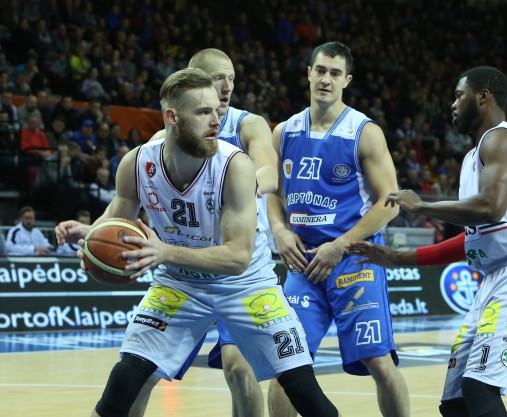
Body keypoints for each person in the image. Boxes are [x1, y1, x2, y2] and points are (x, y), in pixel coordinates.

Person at [55, 68, 339, 417]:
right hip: (180, 283)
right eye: (204, 112)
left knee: (303, 389)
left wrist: (164, 252)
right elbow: (118, 216)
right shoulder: (137, 163)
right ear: (172, 117)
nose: (216, 121)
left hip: (245, 284)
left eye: (217, 111)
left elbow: (237, 257)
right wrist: (89, 235)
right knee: (125, 381)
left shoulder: (234, 167)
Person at [347, 66, 507, 417]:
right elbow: (474, 240)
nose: (453, 104)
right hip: (495, 276)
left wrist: (422, 206)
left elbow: (491, 208)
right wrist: (398, 258)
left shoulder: (501, 139)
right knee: (455, 401)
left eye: (459, 95)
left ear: (483, 96)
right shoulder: (471, 158)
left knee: (479, 386)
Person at [266, 41, 410, 417]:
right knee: (287, 365)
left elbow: (390, 203)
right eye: (320, 70)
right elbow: (273, 194)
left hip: (354, 258)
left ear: (347, 80)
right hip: (304, 261)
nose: (326, 79)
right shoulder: (284, 132)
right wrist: (279, 231)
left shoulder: (364, 131)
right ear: (308, 73)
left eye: (334, 73)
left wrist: (342, 244)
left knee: (378, 361)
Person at [134, 48, 277, 417]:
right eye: (217, 79)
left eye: (231, 78)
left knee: (238, 369)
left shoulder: (248, 124)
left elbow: (270, 172)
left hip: (237, 268)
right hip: (187, 269)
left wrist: (236, 187)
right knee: (141, 372)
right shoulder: (171, 134)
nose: (226, 87)